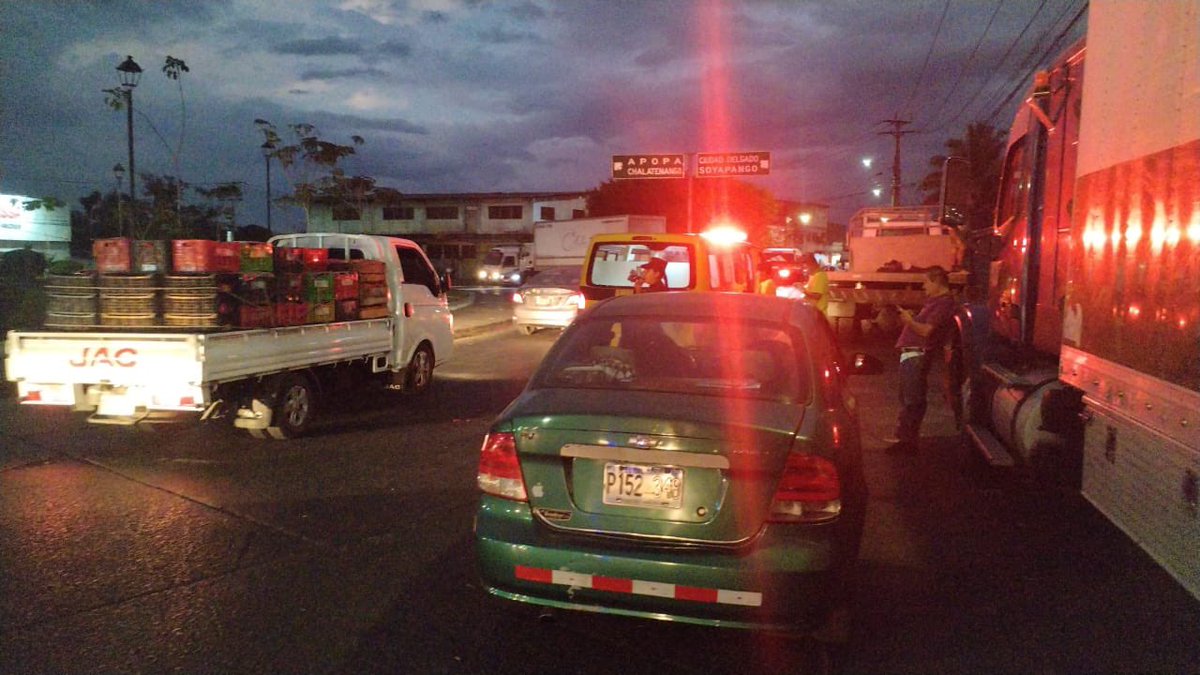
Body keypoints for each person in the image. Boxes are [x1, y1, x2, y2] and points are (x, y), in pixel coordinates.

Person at [885, 265, 957, 453]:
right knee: (910, 398)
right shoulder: (936, 302)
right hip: (913, 354)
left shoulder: (943, 304)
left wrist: (909, 320)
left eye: (926, 282)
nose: (923, 287)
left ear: (936, 282)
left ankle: (906, 443)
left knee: (912, 399)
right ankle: (906, 440)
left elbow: (926, 331)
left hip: (917, 354)